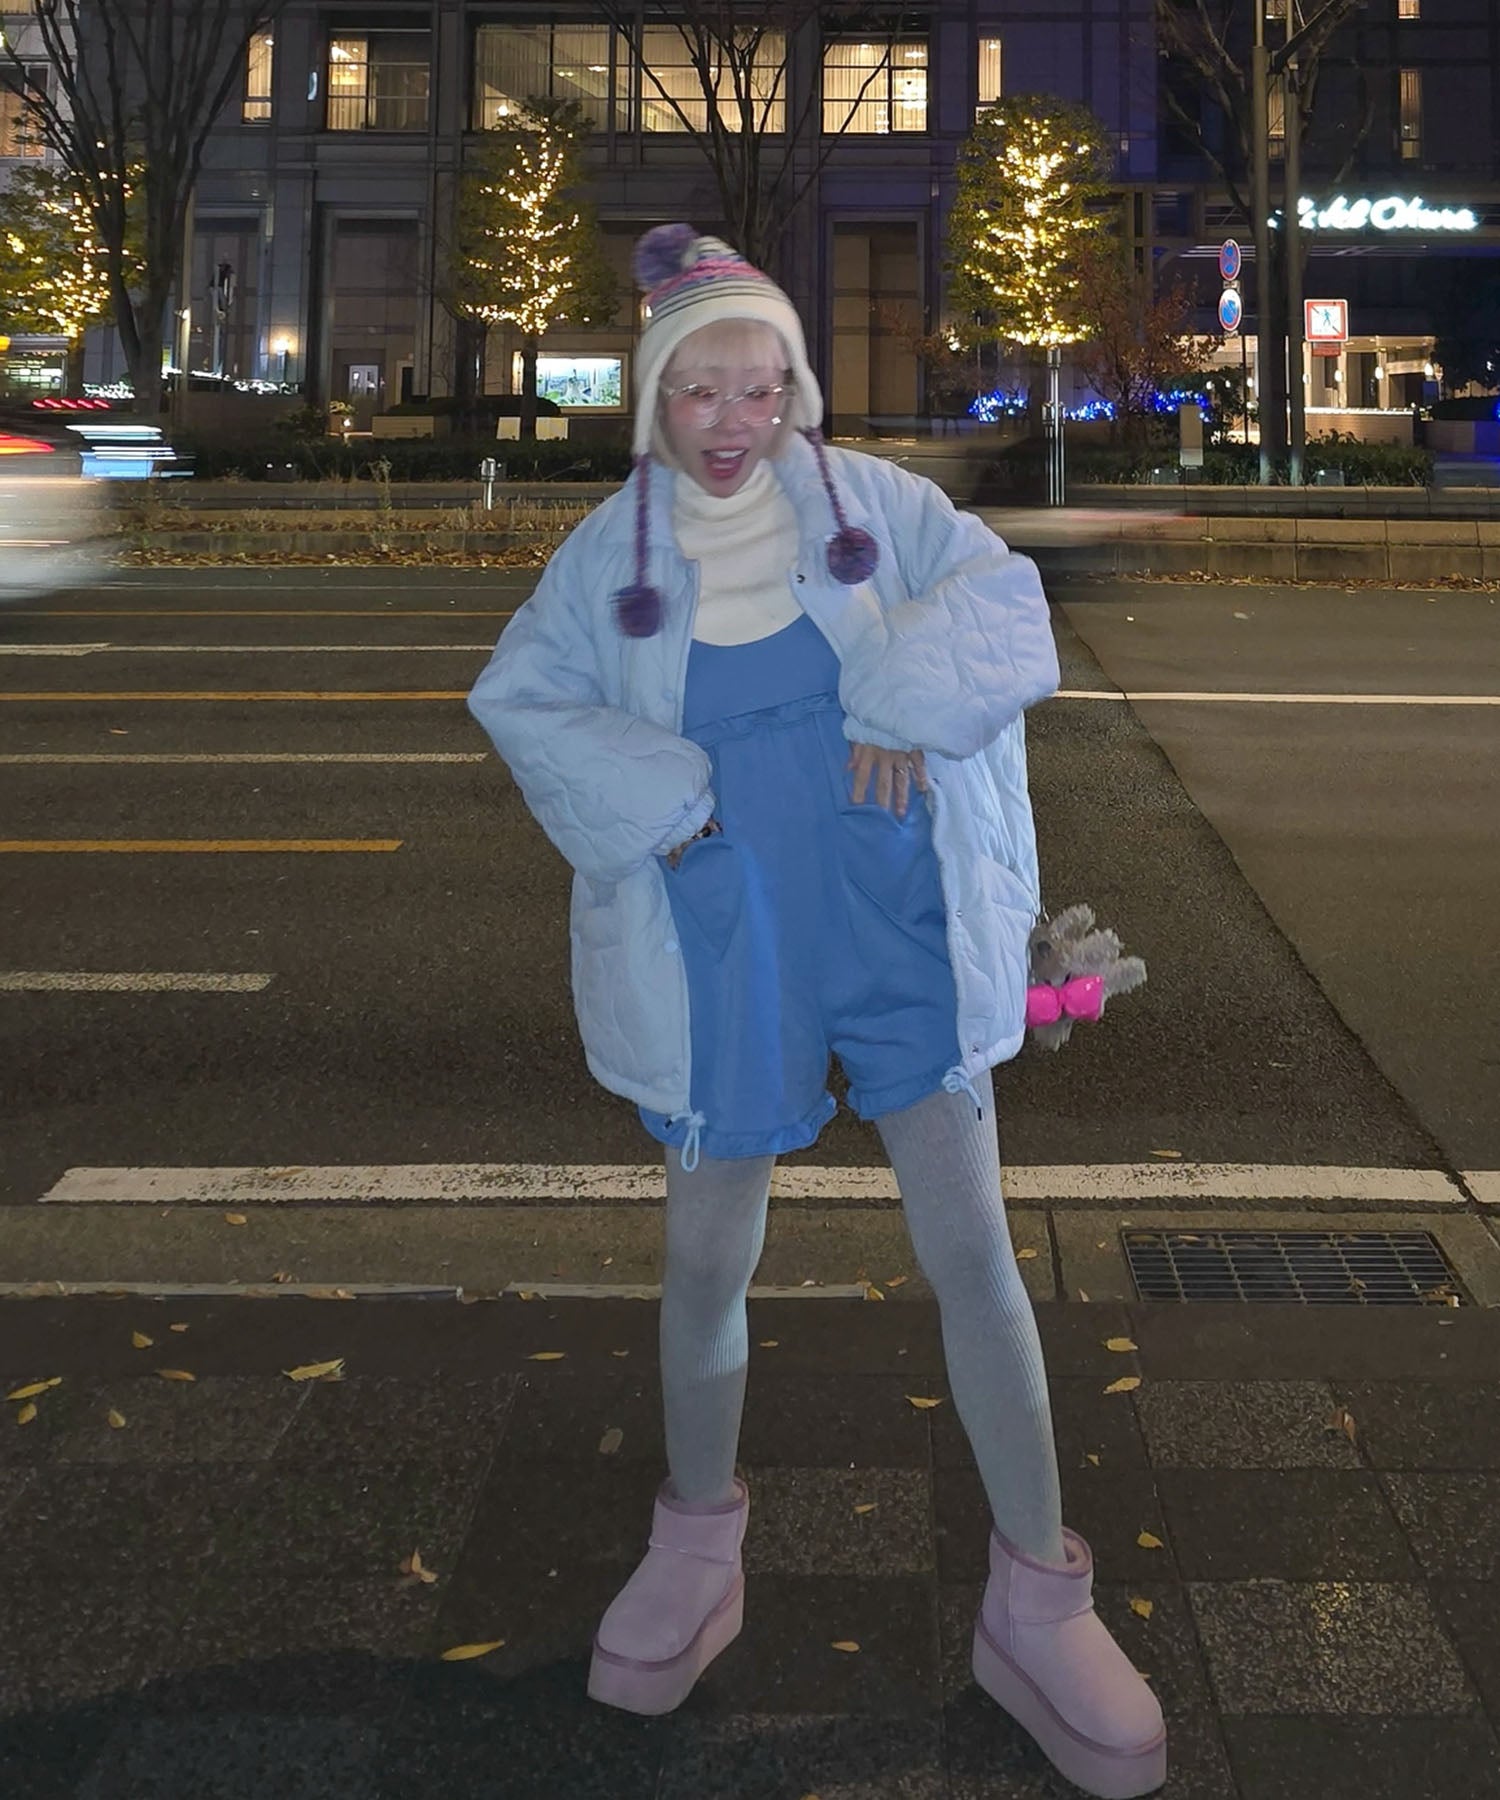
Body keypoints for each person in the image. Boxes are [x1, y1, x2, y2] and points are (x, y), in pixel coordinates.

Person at [467, 224, 1165, 1800]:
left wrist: (908, 692)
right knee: (706, 1257)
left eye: (758, 386)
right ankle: (695, 1543)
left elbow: (1004, 602)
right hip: (726, 945)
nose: (731, 419)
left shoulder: (878, 509)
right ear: (652, 398)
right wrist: (667, 800)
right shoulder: (606, 558)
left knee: (972, 1253)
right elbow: (521, 699)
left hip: (898, 919)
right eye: (698, 389)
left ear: (794, 389)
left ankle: (1038, 1599)